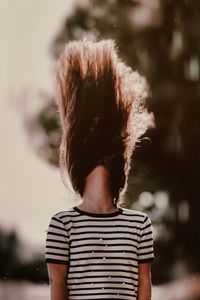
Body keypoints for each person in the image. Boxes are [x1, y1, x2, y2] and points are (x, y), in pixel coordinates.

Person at [45, 39, 155, 300]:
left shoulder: (140, 225)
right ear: (79, 153)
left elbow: (144, 285)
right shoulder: (62, 226)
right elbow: (57, 288)